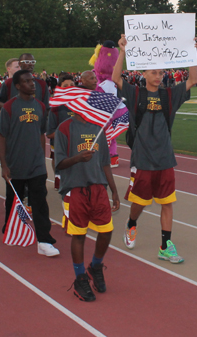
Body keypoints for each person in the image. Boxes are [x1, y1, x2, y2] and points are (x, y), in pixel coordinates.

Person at [112, 34, 197, 263]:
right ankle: (131, 223)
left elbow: (192, 80)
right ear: (143, 74)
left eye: (161, 73)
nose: (158, 76)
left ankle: (165, 246)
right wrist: (122, 51)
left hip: (165, 158)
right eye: (153, 72)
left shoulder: (169, 95)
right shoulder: (135, 94)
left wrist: (193, 53)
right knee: (139, 202)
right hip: (142, 158)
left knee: (167, 202)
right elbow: (116, 78)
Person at [54, 108, 120, 302]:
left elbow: (105, 162)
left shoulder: (98, 127)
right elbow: (59, 163)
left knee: (106, 230)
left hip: (98, 187)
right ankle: (80, 277)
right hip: (76, 188)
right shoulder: (64, 128)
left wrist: (114, 190)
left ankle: (96, 266)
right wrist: (78, 158)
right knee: (79, 234)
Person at [0, 69, 59, 257]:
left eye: (32, 80)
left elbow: (41, 133)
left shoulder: (40, 106)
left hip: (36, 164)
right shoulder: (9, 107)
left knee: (40, 202)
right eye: (27, 81)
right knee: (13, 201)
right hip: (16, 164)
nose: (32, 84)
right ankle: (11, 229)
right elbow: (2, 138)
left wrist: (42, 157)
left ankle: (44, 241)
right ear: (18, 86)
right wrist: (4, 165)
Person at [47, 73, 77, 190]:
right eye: (65, 86)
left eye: (72, 85)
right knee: (57, 160)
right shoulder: (56, 107)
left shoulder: (81, 105)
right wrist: (66, 134)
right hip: (60, 144)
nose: (69, 87)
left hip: (77, 144)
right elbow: (49, 133)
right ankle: (58, 178)